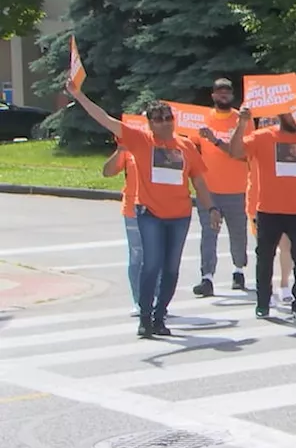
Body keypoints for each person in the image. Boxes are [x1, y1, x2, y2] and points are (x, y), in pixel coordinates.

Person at [66, 85, 221, 337]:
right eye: (158, 120)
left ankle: (160, 316)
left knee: (171, 269)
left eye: (168, 118)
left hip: (180, 216)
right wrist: (80, 95)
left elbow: (200, 182)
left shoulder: (186, 146)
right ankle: (145, 316)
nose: (164, 123)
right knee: (151, 265)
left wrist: (212, 208)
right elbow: (105, 119)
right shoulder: (140, 140)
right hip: (150, 214)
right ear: (149, 123)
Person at [230, 108, 296, 323]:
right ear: (280, 115)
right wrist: (241, 124)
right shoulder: (263, 136)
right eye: (290, 114)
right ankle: (263, 302)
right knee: (265, 259)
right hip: (268, 209)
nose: (294, 118)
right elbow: (235, 151)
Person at [192, 78, 251, 297]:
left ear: (232, 95)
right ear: (213, 95)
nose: (224, 94)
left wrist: (215, 140)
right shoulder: (203, 119)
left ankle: (238, 271)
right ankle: (207, 277)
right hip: (209, 190)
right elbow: (191, 150)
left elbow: (242, 154)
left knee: (238, 233)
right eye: (220, 91)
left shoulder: (243, 120)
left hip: (237, 188)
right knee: (209, 233)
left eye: (228, 91)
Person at [102, 143, 151, 318]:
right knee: (137, 255)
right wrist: (121, 149)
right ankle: (139, 302)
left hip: (158, 208)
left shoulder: (163, 145)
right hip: (132, 209)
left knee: (156, 256)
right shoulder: (128, 148)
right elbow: (107, 172)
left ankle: (157, 301)